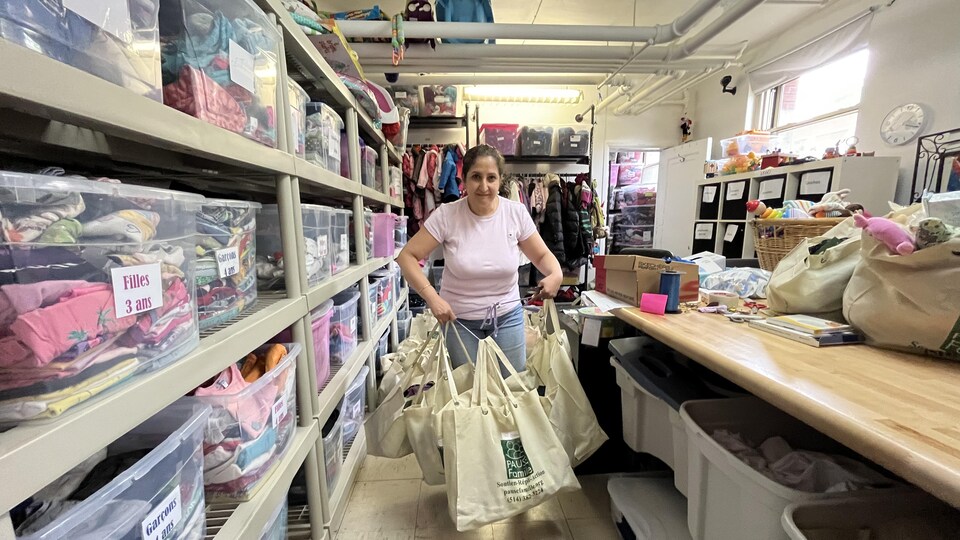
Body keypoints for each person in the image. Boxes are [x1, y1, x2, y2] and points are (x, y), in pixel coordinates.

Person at [396, 144, 563, 372]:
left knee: (512, 387)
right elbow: (407, 256)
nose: (484, 186)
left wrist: (556, 274)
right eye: (476, 177)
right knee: (469, 394)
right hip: (459, 321)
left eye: (491, 178)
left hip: (507, 316)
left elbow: (542, 255)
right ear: (463, 179)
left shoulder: (515, 213)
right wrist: (432, 298)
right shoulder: (447, 215)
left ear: (500, 180)